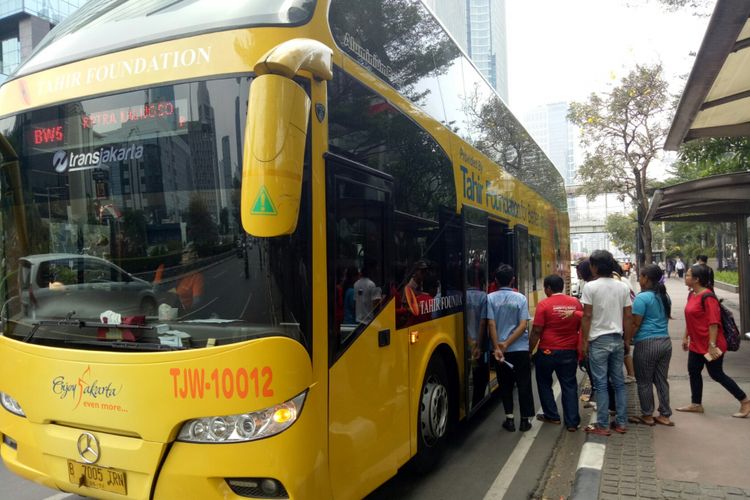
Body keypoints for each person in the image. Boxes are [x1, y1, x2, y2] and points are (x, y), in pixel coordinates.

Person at [677, 264, 750, 417]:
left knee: (716, 374)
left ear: (696, 279)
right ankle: (696, 404)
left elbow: (714, 323)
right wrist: (685, 336)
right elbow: (690, 319)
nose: (686, 277)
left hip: (711, 344)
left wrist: (712, 345)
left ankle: (745, 401)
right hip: (696, 344)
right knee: (693, 371)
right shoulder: (692, 295)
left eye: (689, 275)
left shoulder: (708, 297)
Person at [581, 249, 633, 436]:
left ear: (594, 267)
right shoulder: (622, 287)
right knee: (618, 382)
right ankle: (621, 423)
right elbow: (628, 316)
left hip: (598, 341)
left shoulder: (590, 287)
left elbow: (586, 316)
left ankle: (602, 425)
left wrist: (584, 342)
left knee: (601, 384)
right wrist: (626, 339)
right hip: (617, 339)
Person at [529, 274, 582, 431]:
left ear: (548, 288)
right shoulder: (575, 303)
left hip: (547, 351)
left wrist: (529, 350)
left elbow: (536, 330)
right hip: (569, 351)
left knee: (544, 382)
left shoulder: (544, 304)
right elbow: (582, 323)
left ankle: (552, 416)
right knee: (569, 384)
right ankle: (572, 423)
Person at [485, 264, 533, 432]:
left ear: (496, 280)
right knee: (524, 384)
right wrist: (509, 342)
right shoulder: (520, 298)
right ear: (513, 279)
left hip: (500, 352)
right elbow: (522, 325)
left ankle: (510, 420)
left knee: (505, 384)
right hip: (520, 348)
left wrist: (499, 345)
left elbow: (490, 323)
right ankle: (525, 421)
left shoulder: (489, 298)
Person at [630, 264, 674, 426]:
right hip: (665, 342)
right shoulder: (664, 296)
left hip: (647, 343)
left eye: (640, 276)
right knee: (661, 380)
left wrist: (627, 340)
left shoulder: (642, 298)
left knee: (644, 381)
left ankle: (647, 415)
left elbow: (635, 324)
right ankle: (665, 415)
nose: (638, 278)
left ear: (646, 279)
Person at [613, 260, 637, 384]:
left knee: (624, 349)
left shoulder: (619, 282)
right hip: (624, 318)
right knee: (624, 349)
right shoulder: (624, 280)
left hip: (622, 319)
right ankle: (631, 374)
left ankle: (631, 374)